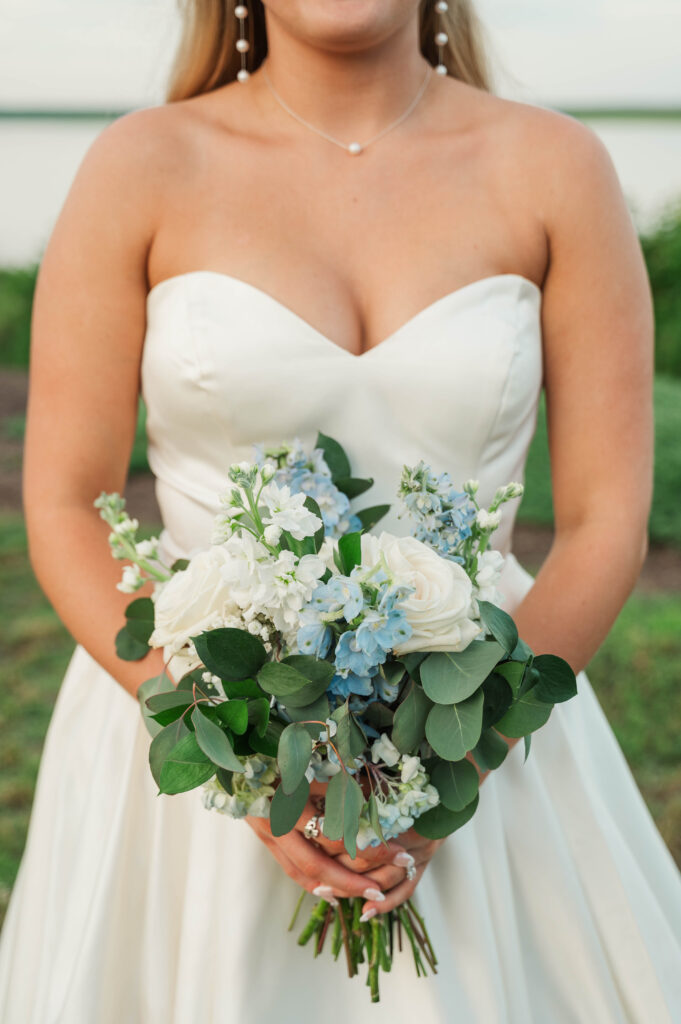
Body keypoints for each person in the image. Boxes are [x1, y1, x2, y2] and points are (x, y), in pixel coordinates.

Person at [2, 1, 681, 1020]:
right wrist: (234, 766)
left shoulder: (556, 169)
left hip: (484, 728)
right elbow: (60, 499)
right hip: (197, 734)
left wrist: (447, 772)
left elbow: (603, 523)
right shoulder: (139, 166)